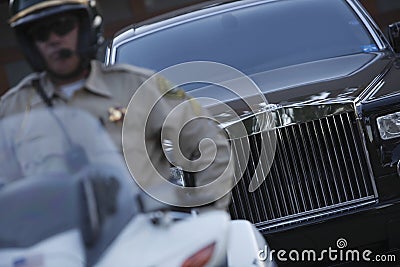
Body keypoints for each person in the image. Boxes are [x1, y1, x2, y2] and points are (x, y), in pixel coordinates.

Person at [0, 0, 233, 209]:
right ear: (30, 44)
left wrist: (207, 213)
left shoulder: (138, 86)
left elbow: (208, 140)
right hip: (60, 247)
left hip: (148, 235)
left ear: (85, 27)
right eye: (41, 33)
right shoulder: (12, 109)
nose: (53, 39)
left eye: (62, 26)